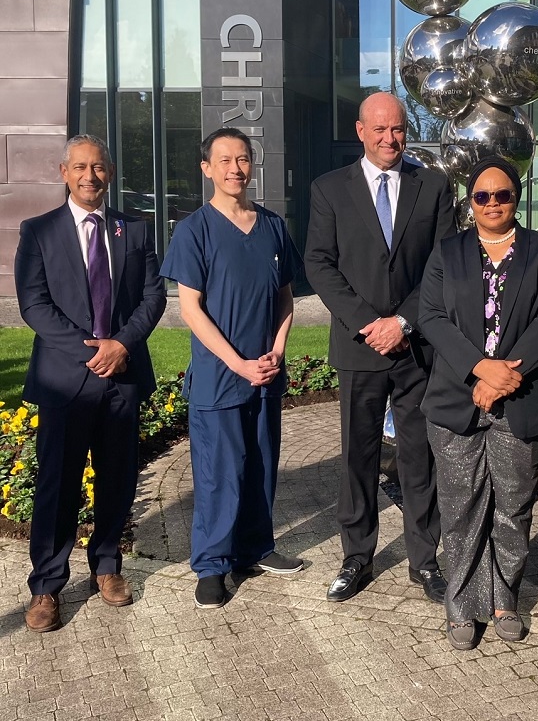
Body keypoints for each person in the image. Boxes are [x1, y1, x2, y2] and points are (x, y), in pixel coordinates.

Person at [305, 91, 455, 604]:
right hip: (359, 345)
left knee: (419, 455)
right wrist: (371, 322)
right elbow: (319, 263)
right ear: (361, 131)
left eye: (398, 129)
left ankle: (425, 559)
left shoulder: (432, 187)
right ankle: (356, 556)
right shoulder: (329, 189)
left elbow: (442, 265)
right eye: (381, 129)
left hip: (415, 349)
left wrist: (404, 322)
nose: (391, 139)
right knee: (357, 456)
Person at [15, 134, 166, 632]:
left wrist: (120, 345)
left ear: (111, 171)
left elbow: (152, 298)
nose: (89, 176)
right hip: (65, 381)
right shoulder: (38, 231)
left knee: (118, 479)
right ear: (64, 172)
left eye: (98, 167)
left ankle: (107, 566)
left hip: (121, 378)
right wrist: (92, 349)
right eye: (79, 167)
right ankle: (46, 585)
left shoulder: (135, 230)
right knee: (57, 486)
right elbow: (34, 304)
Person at [417, 157, 538, 650]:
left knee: (513, 506)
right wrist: (480, 367)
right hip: (457, 398)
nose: (493, 203)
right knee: (459, 507)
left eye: (502, 194)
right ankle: (460, 604)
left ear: (516, 198)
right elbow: (431, 317)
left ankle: (504, 600)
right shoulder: (448, 252)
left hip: (519, 400)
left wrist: (504, 377)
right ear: (470, 201)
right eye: (482, 196)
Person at [160, 127, 304, 609]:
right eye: (224, 161)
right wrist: (238, 363)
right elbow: (191, 309)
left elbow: (286, 298)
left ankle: (255, 549)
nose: (235, 169)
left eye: (242, 159)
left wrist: (277, 351)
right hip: (222, 377)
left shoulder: (273, 227)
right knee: (220, 472)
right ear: (207, 169)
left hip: (265, 373)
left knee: (261, 464)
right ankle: (213, 564)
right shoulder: (195, 229)